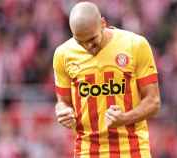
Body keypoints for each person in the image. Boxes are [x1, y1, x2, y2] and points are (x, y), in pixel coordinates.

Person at [53, 2, 161, 158]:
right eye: (80, 41)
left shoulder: (135, 45)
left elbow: (154, 102)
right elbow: (62, 102)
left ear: (103, 23)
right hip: (87, 151)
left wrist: (124, 118)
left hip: (132, 150)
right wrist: (63, 112)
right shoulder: (63, 54)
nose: (88, 46)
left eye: (92, 39)